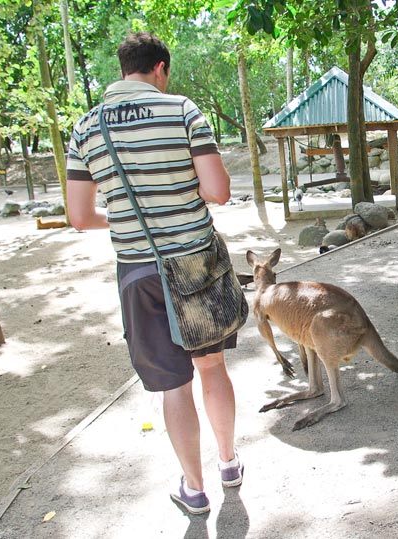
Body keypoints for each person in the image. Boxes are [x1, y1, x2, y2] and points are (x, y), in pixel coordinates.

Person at [65, 32, 241, 515]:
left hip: (138, 272)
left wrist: (124, 216)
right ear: (160, 68)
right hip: (196, 266)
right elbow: (219, 192)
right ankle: (229, 463)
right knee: (211, 366)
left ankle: (195, 489)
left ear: (123, 69)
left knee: (172, 385)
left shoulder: (86, 127)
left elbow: (79, 217)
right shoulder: (182, 110)